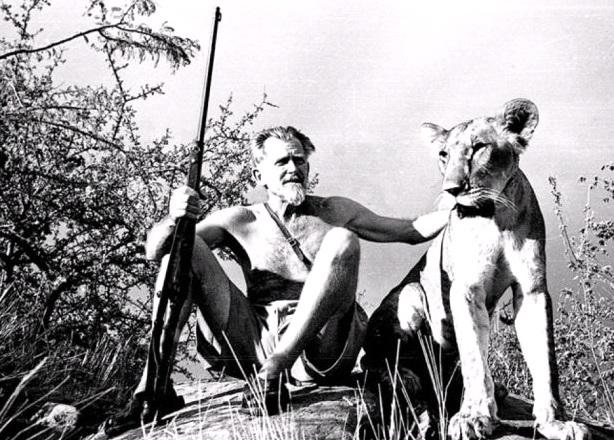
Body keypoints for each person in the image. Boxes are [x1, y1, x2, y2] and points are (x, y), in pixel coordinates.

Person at [105, 126, 450, 433]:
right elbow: (158, 251)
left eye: (300, 162)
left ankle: (277, 367)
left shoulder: (334, 211)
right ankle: (152, 386)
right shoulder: (241, 219)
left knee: (343, 240)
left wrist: (458, 206)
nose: (293, 169)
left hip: (321, 345)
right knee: (185, 245)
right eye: (282, 162)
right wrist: (175, 217)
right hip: (255, 337)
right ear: (260, 175)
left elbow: (410, 231)